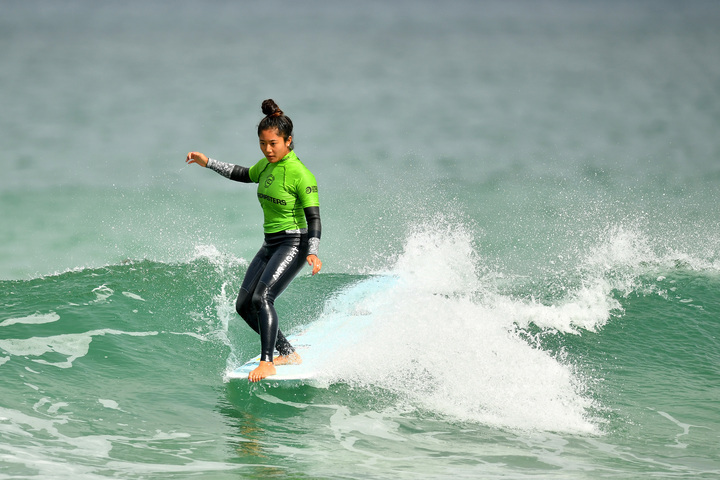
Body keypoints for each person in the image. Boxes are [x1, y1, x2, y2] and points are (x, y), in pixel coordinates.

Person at [186, 99, 322, 382]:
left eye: (273, 143)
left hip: (294, 243)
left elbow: (314, 219)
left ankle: (268, 361)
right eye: (263, 143)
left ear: (288, 141)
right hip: (270, 243)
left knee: (263, 298)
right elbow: (242, 173)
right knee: (243, 305)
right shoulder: (267, 166)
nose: (268, 149)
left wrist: (312, 251)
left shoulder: (300, 174)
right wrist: (207, 162)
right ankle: (287, 352)